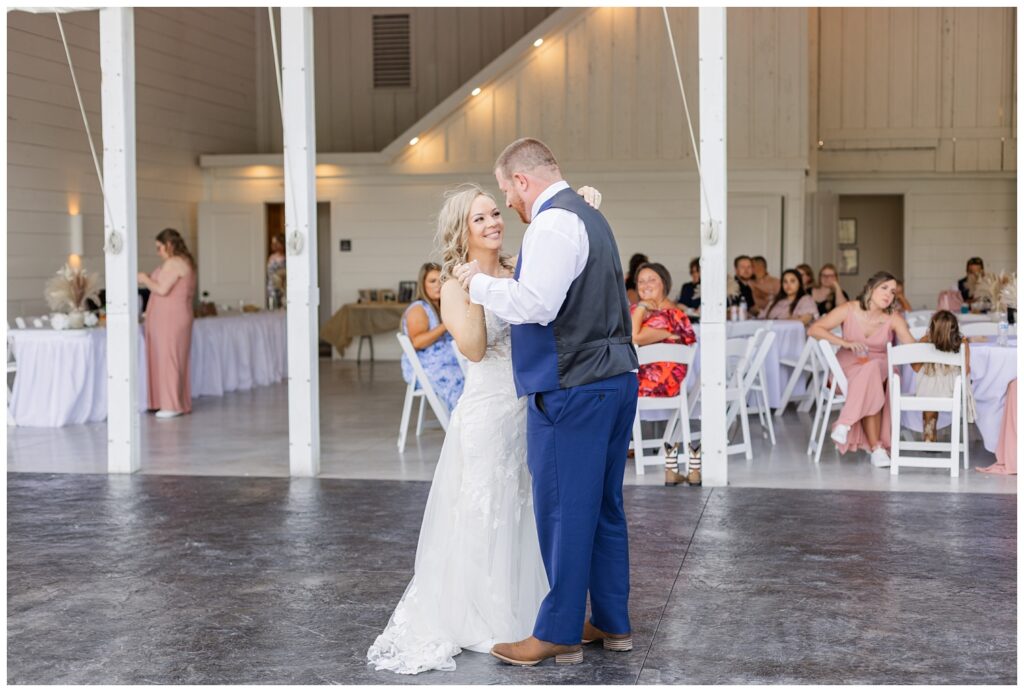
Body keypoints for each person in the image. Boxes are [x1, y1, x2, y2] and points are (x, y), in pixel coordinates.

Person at [368, 177, 607, 674]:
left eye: (495, 213)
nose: (494, 222)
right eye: (480, 218)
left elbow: (554, 290)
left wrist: (578, 211)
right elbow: (475, 348)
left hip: (528, 407)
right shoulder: (455, 284)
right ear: (463, 231)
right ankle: (487, 614)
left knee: (528, 508)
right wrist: (476, 288)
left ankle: (537, 614)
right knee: (485, 506)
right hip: (486, 412)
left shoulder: (520, 266)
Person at [456, 138, 638, 668]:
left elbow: (536, 304)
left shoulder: (554, 223)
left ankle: (558, 632)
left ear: (521, 181)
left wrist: (482, 284)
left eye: (505, 192)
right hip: (613, 379)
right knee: (603, 506)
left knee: (562, 510)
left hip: (573, 387)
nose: (508, 207)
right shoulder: (586, 217)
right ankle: (610, 621)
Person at [808, 271, 916, 467]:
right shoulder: (849, 309)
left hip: (881, 366)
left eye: (893, 292)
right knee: (871, 379)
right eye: (884, 288)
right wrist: (844, 342)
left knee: (873, 369)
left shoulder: (894, 318)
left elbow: (912, 346)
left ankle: (845, 423)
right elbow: (814, 329)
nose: (888, 295)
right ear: (870, 289)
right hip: (848, 368)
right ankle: (877, 449)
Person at [631, 262, 697, 485]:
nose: (645, 285)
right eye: (641, 281)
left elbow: (634, 337)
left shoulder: (670, 315)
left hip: (661, 381)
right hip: (647, 377)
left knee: (604, 389)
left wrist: (640, 308)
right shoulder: (647, 311)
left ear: (664, 284)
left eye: (652, 280)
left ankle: (616, 448)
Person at [138, 228, 196, 419]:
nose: (158, 252)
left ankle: (171, 404)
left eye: (159, 247)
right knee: (169, 357)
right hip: (169, 318)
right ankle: (167, 401)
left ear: (169, 245)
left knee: (169, 358)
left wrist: (144, 278)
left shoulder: (175, 262)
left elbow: (162, 289)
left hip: (171, 319)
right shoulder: (182, 262)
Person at [399, 262, 464, 414]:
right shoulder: (418, 308)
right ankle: (460, 425)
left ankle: (467, 424)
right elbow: (417, 342)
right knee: (463, 382)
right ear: (422, 284)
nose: (438, 285)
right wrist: (446, 324)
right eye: (432, 281)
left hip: (446, 363)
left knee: (475, 376)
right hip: (426, 368)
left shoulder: (442, 306)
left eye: (441, 280)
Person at [910, 310, 974, 443]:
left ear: (932, 327)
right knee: (936, 387)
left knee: (930, 389)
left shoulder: (925, 340)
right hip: (953, 392)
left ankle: (929, 436)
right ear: (955, 328)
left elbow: (915, 368)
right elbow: (965, 370)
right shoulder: (962, 342)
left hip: (927, 393)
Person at [676, 257, 701, 322]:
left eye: (697, 272)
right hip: (689, 320)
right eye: (693, 272)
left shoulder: (711, 288)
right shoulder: (687, 287)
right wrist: (691, 311)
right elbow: (680, 305)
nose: (694, 274)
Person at [266, 234, 286, 309]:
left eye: (276, 243)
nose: (274, 245)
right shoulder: (271, 257)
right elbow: (269, 273)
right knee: (273, 306)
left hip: (283, 287)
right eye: (273, 243)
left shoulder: (286, 258)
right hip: (272, 286)